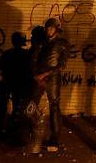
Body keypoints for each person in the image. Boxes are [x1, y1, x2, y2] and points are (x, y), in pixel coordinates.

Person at [33, 17, 68, 149]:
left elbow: (61, 65)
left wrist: (45, 74)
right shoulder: (41, 43)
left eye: (51, 28)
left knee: (54, 107)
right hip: (38, 78)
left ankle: (54, 138)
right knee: (32, 105)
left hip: (52, 79)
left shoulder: (62, 43)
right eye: (47, 28)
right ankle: (33, 133)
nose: (49, 30)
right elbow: (34, 59)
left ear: (57, 29)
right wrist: (36, 75)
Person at [0, 31, 32, 133]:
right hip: (19, 85)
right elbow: (29, 71)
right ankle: (14, 129)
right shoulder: (26, 55)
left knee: (2, 105)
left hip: (6, 83)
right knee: (17, 107)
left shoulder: (8, 53)